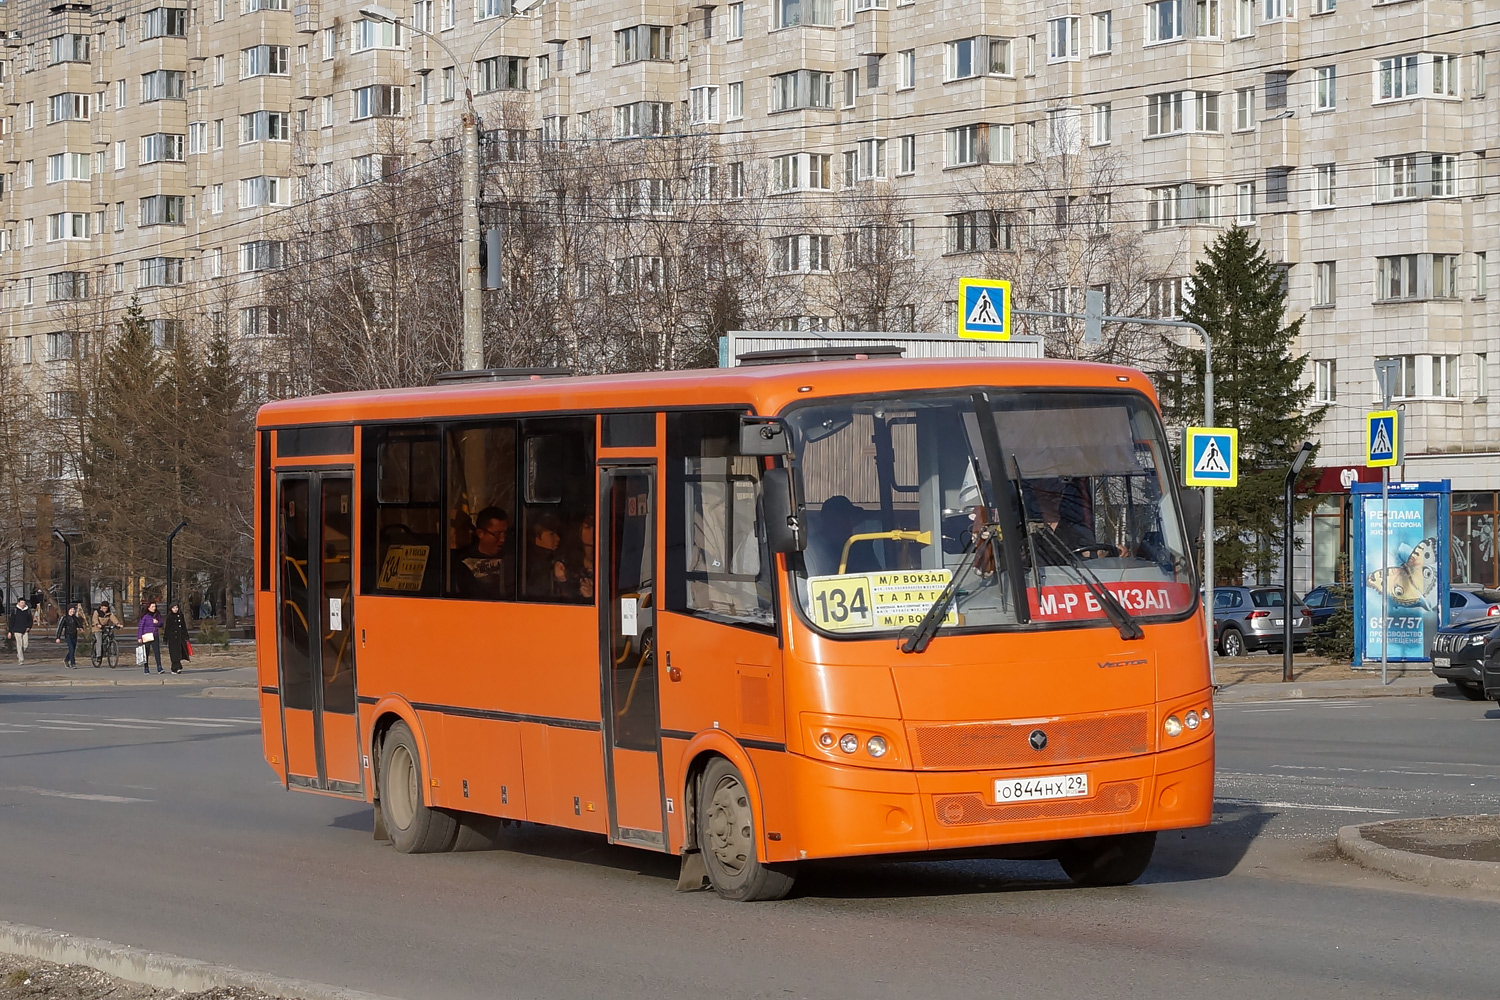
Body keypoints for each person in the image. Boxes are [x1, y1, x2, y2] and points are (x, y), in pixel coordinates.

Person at [451, 506, 514, 599]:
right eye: (497, 534)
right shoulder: (464, 563)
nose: (502, 539)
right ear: (480, 533)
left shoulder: (513, 559)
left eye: (505, 533)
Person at [525, 514, 568, 598]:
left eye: (557, 533)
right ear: (537, 537)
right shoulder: (528, 562)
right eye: (552, 534)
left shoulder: (558, 557)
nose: (558, 538)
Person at [558, 514, 595, 600]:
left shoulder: (608, 559)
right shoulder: (567, 563)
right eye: (588, 527)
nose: (594, 531)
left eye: (596, 526)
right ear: (578, 530)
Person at [163, 600, 191, 674]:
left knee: (179, 653)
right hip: (172, 638)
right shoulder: (170, 617)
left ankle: (177, 667)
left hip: (180, 637)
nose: (175, 609)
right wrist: (165, 637)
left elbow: (183, 626)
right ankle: (175, 668)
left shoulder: (180, 615)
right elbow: (167, 627)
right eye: (173, 608)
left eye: (176, 607)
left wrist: (186, 635)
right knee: (174, 653)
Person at [137, 600, 164, 675]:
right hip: (146, 636)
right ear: (148, 607)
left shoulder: (157, 614)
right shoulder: (145, 616)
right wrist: (139, 637)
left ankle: (159, 667)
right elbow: (140, 627)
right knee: (146, 652)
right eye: (152, 607)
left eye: (155, 606)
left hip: (154, 635)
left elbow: (161, 623)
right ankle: (146, 667)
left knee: (157, 652)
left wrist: (157, 622)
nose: (154, 608)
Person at [55, 602, 84, 669]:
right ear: (68, 610)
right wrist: (58, 637)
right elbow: (60, 628)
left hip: (74, 635)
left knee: (73, 650)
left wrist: (81, 628)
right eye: (71, 609)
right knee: (71, 649)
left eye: (73, 610)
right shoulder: (65, 618)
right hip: (68, 635)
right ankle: (73, 663)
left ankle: (66, 659)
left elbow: (79, 624)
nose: (72, 611)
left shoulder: (75, 618)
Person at [7, 599, 33, 665]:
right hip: (17, 630)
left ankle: (19, 654)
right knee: (19, 645)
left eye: (24, 603)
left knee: (25, 645)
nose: (23, 604)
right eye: (21, 603)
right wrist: (10, 631)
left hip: (25, 630)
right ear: (18, 603)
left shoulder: (27, 611)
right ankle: (21, 660)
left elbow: (30, 621)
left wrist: (29, 627)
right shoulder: (15, 611)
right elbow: (11, 621)